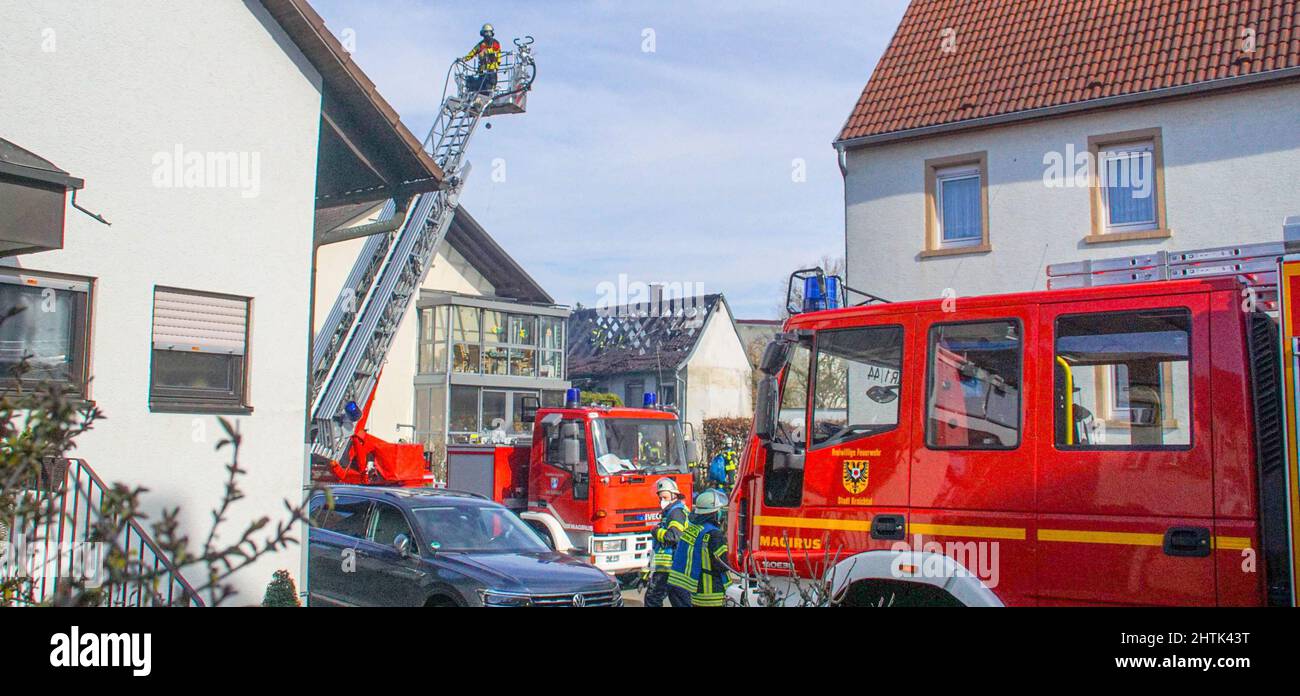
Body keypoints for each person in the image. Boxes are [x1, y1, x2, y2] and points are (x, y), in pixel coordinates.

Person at [667, 489, 731, 607]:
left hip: (695, 593)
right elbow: (723, 565)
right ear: (714, 513)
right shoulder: (714, 534)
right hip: (714, 594)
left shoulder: (691, 530)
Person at [644, 478, 689, 607]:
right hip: (670, 566)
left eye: (665, 497)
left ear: (674, 495)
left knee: (653, 599)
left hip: (669, 566)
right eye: (660, 498)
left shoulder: (676, 512)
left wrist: (655, 531)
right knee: (678, 600)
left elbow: (674, 536)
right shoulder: (672, 511)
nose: (662, 501)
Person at [463, 23, 501, 96]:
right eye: (486, 32)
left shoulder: (495, 43)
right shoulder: (480, 45)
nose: (487, 34)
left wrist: (487, 54)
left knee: (490, 86)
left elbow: (497, 54)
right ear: (483, 34)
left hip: (491, 70)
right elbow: (472, 52)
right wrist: (464, 59)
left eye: (489, 32)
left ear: (491, 33)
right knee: (481, 87)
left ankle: (489, 96)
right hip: (482, 71)